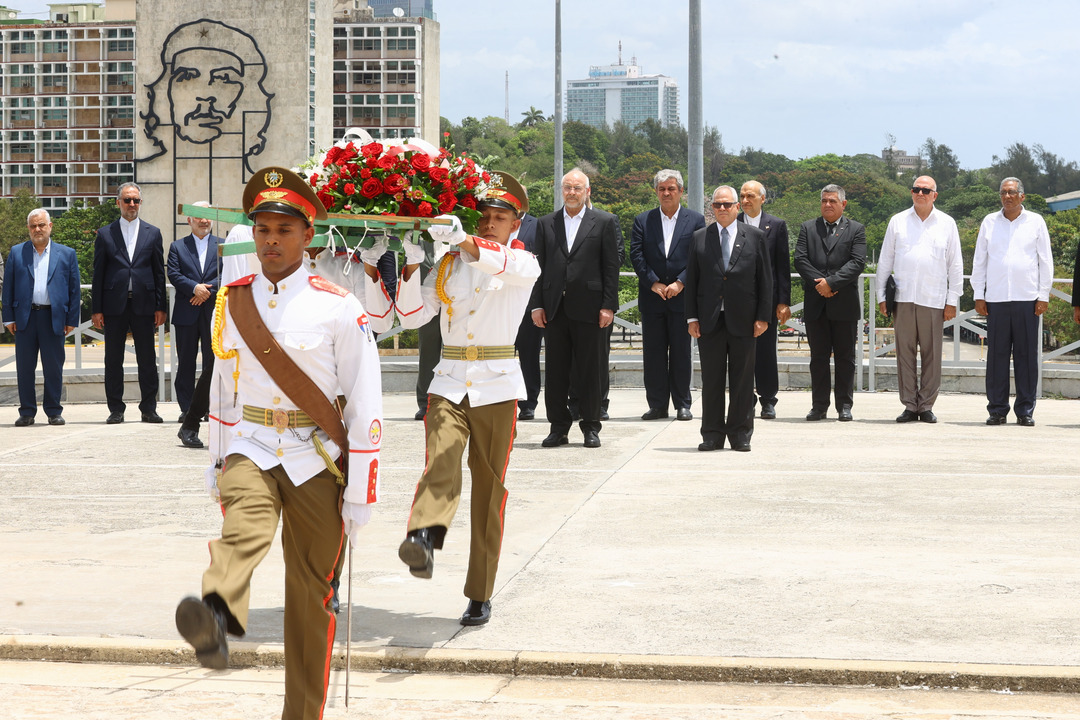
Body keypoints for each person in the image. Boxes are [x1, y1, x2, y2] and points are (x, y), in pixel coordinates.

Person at [174, 166, 381, 720]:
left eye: (284, 230)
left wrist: (361, 489)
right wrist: (217, 459)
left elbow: (365, 401)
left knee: (311, 597)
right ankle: (216, 608)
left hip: (316, 455)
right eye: (263, 229)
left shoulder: (339, 306)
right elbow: (223, 387)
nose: (271, 240)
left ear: (307, 236)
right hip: (253, 442)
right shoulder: (232, 302)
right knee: (246, 524)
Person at [361, 171, 539, 626]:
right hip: (449, 380)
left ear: (515, 224)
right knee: (441, 456)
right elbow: (414, 314)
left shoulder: (523, 262)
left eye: (500, 217)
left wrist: (462, 241)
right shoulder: (448, 265)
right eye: (484, 217)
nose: (490, 224)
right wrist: (409, 264)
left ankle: (480, 592)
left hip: (497, 385)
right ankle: (423, 536)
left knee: (489, 490)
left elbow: (497, 261)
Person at [531, 168, 621, 448]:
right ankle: (558, 428)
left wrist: (608, 305)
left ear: (587, 191)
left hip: (591, 309)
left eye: (577, 188)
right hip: (554, 309)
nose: (572, 192)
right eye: (567, 187)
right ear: (562, 190)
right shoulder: (546, 223)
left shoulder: (604, 221)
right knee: (556, 372)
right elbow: (537, 268)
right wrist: (536, 305)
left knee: (590, 371)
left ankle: (591, 426)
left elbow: (611, 267)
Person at [685, 186, 772, 452]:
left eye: (726, 204)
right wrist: (691, 317)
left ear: (736, 207)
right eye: (717, 205)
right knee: (711, 380)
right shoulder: (700, 237)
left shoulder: (755, 237)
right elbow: (692, 280)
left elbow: (765, 280)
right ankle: (712, 434)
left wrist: (763, 317)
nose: (721, 209)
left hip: (744, 319)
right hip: (709, 319)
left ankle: (740, 433)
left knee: (742, 381)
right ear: (712, 208)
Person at [875, 176, 963, 424]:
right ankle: (909, 405)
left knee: (932, 356)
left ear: (935, 195)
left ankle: (926, 405)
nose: (920, 193)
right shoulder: (898, 221)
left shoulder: (947, 223)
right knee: (904, 354)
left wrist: (952, 300)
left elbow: (955, 264)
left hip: (933, 298)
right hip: (902, 297)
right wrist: (881, 295)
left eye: (926, 190)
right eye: (916, 189)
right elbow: (885, 260)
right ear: (911, 192)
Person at [970, 177, 1052, 427]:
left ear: (1022, 196)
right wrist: (978, 294)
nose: (1007, 196)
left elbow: (1045, 260)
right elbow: (979, 260)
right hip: (996, 299)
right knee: (997, 357)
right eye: (1003, 192)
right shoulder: (989, 222)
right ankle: (997, 409)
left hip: (1027, 299)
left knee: (1027, 357)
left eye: (1012, 192)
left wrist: (1043, 295)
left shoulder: (1036, 221)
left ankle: (1025, 410)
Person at [630, 169, 705, 421]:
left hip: (682, 298)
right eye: (661, 189)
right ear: (656, 191)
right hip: (652, 298)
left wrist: (681, 282)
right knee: (653, 354)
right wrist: (653, 282)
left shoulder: (695, 220)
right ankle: (657, 405)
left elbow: (698, 256)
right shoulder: (643, 220)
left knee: (682, 353)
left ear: (681, 191)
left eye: (671, 189)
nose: (666, 193)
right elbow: (637, 255)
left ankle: (683, 404)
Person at [91, 182, 167, 424]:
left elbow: (159, 273)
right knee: (113, 359)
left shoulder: (153, 233)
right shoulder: (105, 233)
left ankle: (149, 408)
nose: (132, 204)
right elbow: (98, 273)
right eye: (127, 200)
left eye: (136, 200)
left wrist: (161, 306)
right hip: (114, 306)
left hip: (145, 305)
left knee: (147, 359)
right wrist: (96, 309)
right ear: (118, 203)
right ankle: (116, 409)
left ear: (140, 203)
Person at [794, 184, 866, 422]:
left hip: (844, 304)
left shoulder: (856, 229)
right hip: (816, 304)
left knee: (846, 359)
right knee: (818, 359)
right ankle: (819, 406)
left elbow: (857, 262)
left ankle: (844, 405)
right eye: (824, 200)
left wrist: (831, 283)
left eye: (832, 201)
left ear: (843, 204)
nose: (827, 205)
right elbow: (800, 260)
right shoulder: (808, 228)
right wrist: (821, 284)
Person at [2, 209, 81, 426]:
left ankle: (54, 411)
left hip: (53, 318)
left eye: (41, 225)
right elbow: (7, 287)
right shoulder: (17, 252)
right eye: (33, 226)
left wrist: (71, 319)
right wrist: (8, 318)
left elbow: (74, 290)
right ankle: (27, 412)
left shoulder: (67, 254)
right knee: (24, 368)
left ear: (50, 226)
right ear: (28, 228)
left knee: (53, 367)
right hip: (24, 318)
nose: (37, 229)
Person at [737, 181, 790, 420]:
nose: (745, 200)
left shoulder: (776, 225)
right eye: (742, 196)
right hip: (738, 299)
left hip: (767, 299)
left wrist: (783, 301)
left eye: (750, 196)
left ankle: (768, 399)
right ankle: (745, 398)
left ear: (762, 199)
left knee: (766, 351)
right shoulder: (732, 222)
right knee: (740, 352)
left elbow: (782, 266)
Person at [167, 202, 222, 426]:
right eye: (199, 216)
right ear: (189, 220)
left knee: (213, 362)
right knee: (186, 363)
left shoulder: (223, 245)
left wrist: (205, 291)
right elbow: (173, 273)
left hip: (214, 312)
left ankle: (211, 407)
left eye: (207, 216)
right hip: (186, 312)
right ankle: (187, 408)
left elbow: (229, 273)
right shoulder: (177, 247)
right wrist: (194, 288)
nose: (204, 221)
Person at [512, 211, 541, 420]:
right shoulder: (493, 222)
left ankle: (528, 403)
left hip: (527, 303)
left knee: (529, 356)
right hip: (497, 302)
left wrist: (538, 304)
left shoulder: (537, 225)